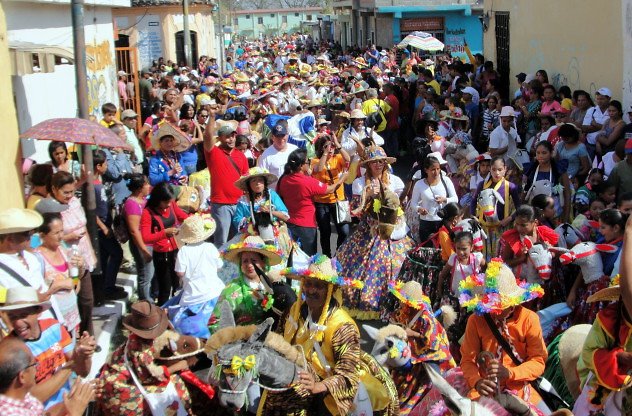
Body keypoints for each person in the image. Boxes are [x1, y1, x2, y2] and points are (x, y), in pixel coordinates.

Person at [259, 254, 398, 416]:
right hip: (295, 375)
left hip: (328, 384)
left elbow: (348, 374)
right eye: (308, 283)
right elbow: (278, 342)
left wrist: (318, 386)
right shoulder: (293, 311)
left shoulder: (342, 326)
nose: (311, 290)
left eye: (319, 286)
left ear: (330, 290)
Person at [459, 259, 549, 413]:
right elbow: (467, 360)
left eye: (501, 307)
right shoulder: (475, 320)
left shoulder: (530, 319)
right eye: (493, 307)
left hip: (522, 388)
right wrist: (477, 382)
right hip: (484, 390)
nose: (496, 312)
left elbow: (538, 361)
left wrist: (510, 373)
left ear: (514, 303)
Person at [337, 146, 413, 320]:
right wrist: (368, 196)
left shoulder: (395, 181)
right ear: (368, 165)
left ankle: (392, 304)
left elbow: (401, 206)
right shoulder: (360, 183)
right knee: (361, 265)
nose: (378, 165)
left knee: (395, 264)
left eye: (381, 161)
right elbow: (356, 213)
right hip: (369, 230)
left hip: (393, 230)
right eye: (374, 162)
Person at [1, 286, 96, 411]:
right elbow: (32, 397)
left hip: (69, 406)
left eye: (24, 315)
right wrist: (73, 362)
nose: (18, 323)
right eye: (13, 317)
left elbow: (83, 372)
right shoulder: (9, 350)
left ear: (38, 311)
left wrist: (84, 355)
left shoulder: (54, 327)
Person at [96, 301, 195, 415]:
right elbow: (151, 377)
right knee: (177, 385)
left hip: (112, 381)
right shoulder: (141, 352)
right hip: (122, 391)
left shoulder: (132, 339)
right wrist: (179, 366)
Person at [387, 280, 456, 414]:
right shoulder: (403, 310)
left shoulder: (425, 317)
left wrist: (411, 333)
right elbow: (394, 322)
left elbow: (431, 342)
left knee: (432, 380)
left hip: (426, 353)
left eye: (404, 301)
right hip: (408, 349)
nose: (402, 303)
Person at [573, 276, 632, 416]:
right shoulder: (607, 318)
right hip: (602, 381)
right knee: (587, 409)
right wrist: (617, 357)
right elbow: (587, 353)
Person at [49, 172, 96, 335]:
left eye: (72, 191)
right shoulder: (51, 210)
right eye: (65, 192)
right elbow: (50, 238)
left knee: (87, 300)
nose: (70, 196)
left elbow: (84, 228)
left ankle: (87, 335)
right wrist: (69, 236)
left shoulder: (75, 202)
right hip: (65, 261)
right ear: (54, 189)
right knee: (71, 301)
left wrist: (91, 252)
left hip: (82, 257)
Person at [162, 214, 224, 338]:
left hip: (193, 294)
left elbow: (180, 272)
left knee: (179, 320)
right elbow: (219, 266)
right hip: (215, 292)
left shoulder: (184, 251)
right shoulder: (210, 247)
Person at [0, 337, 95, 416]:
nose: (36, 369)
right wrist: (75, 412)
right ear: (22, 377)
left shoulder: (21, 396)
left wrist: (73, 400)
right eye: (34, 365)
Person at [276, 149, 345, 256]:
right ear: (301, 166)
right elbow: (330, 189)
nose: (309, 163)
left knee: (293, 257)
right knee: (309, 258)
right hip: (306, 225)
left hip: (289, 223)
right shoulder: (306, 181)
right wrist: (341, 179)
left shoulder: (283, 179)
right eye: (307, 162)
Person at [208, 235, 282, 332]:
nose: (249, 265)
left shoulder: (274, 286)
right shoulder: (232, 290)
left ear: (263, 262)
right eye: (245, 261)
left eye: (254, 261)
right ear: (240, 265)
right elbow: (214, 323)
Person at [140, 182, 189, 305]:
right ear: (158, 200)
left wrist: (192, 219)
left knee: (178, 284)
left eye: (170, 202)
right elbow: (145, 237)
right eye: (166, 202)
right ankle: (163, 313)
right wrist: (164, 233)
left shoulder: (171, 204)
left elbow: (181, 215)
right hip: (162, 255)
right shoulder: (148, 212)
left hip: (175, 250)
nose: (168, 205)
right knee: (165, 288)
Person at [204, 117, 250, 247]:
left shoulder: (241, 156)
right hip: (221, 204)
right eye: (227, 137)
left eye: (233, 136)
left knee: (237, 240)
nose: (231, 139)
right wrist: (212, 117)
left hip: (239, 203)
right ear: (220, 139)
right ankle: (219, 267)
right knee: (221, 241)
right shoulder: (213, 152)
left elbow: (246, 178)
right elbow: (207, 137)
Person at [34, 213, 82, 335]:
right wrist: (59, 285)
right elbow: (37, 291)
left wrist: (79, 269)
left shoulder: (63, 250)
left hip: (72, 316)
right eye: (56, 233)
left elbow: (74, 280)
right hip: (53, 320)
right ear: (42, 235)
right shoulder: (36, 258)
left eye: (62, 231)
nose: (61, 236)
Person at [92, 150, 125, 302]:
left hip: (106, 223)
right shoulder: (91, 186)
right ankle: (108, 288)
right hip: (100, 228)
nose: (107, 166)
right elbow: (91, 211)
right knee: (117, 253)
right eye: (105, 163)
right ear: (98, 166)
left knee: (105, 257)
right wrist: (104, 228)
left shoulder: (100, 180)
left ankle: (105, 287)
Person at [232, 167, 290, 253]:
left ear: (264, 183)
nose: (258, 183)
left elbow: (286, 217)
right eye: (254, 181)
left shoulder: (272, 195)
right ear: (249, 185)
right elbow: (237, 220)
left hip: (276, 237)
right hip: (252, 239)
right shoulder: (243, 201)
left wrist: (270, 211)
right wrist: (251, 220)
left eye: (260, 180)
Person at [311, 134, 351, 257]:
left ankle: (338, 254)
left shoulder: (337, 158)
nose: (330, 149)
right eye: (327, 146)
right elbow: (319, 169)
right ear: (321, 148)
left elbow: (348, 158)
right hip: (321, 202)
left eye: (331, 146)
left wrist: (337, 144)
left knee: (344, 231)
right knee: (325, 232)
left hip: (339, 200)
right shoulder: (314, 161)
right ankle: (326, 257)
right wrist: (325, 153)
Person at [410, 154, 458, 244]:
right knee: (428, 251)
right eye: (433, 169)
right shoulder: (419, 184)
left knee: (443, 251)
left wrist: (445, 200)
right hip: (426, 223)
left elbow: (455, 199)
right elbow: (413, 203)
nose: (436, 172)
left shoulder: (446, 181)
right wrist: (419, 209)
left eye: (438, 169)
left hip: (443, 223)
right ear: (426, 170)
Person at [122, 173, 153, 301]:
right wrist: (144, 250)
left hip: (149, 242)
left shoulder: (143, 201)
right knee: (145, 275)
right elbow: (134, 231)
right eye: (146, 184)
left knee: (150, 273)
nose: (149, 186)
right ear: (140, 188)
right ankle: (145, 303)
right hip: (141, 244)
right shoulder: (132, 205)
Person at [524, 141, 571, 223]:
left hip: (555, 215)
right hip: (535, 215)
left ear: (551, 153)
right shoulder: (530, 169)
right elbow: (524, 192)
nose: (540, 156)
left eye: (544, 153)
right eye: (538, 153)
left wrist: (565, 219)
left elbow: (567, 194)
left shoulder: (559, 169)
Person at [148, 121, 190, 186]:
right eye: (166, 141)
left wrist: (184, 176)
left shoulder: (177, 156)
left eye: (171, 140)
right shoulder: (155, 160)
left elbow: (183, 171)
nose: (169, 143)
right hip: (164, 191)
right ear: (160, 143)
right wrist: (170, 173)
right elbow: (153, 180)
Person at [582, 87, 612, 160]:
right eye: (598, 99)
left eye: (602, 99)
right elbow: (585, 128)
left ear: (609, 99)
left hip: (606, 146)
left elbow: (611, 130)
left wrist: (595, 124)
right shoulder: (592, 110)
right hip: (590, 145)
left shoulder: (612, 111)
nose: (599, 101)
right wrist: (603, 127)